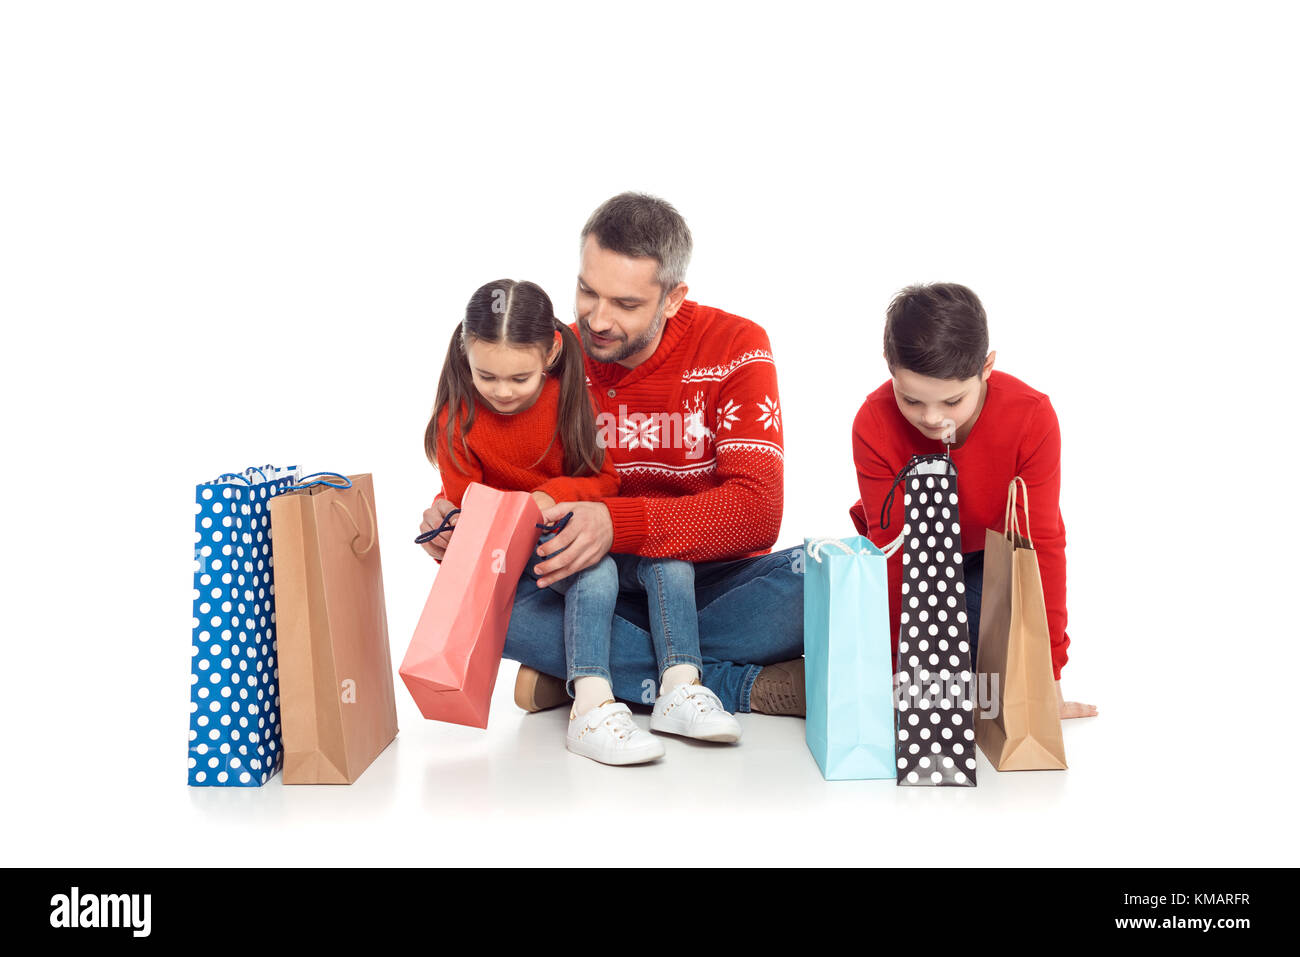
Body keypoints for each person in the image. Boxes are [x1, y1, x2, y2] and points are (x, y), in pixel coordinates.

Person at [420, 193, 806, 721]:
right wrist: (451, 518)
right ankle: (724, 683)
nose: (597, 320)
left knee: (821, 584)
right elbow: (511, 470)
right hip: (585, 583)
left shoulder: (736, 345)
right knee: (492, 614)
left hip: (711, 584)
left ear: (672, 299)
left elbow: (756, 514)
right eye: (587, 291)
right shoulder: (548, 357)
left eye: (625, 305)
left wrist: (614, 522)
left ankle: (588, 668)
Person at [423, 278, 741, 766]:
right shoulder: (457, 419)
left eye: (519, 378)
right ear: (466, 354)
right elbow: (468, 509)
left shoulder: (568, 399)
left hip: (579, 530)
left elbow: (605, 480)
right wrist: (461, 522)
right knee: (596, 572)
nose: (502, 392)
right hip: (520, 559)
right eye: (487, 377)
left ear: (550, 354)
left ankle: (680, 687)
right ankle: (590, 706)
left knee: (670, 562)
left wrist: (549, 496)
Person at [848, 282, 1097, 719]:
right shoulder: (873, 421)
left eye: (952, 401)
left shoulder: (1030, 416)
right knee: (820, 600)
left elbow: (1040, 548)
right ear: (889, 364)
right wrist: (898, 672)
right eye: (911, 399)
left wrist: (1048, 678)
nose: (931, 418)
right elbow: (892, 553)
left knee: (981, 644)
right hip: (914, 567)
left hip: (987, 566)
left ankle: (824, 675)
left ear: (986, 368)